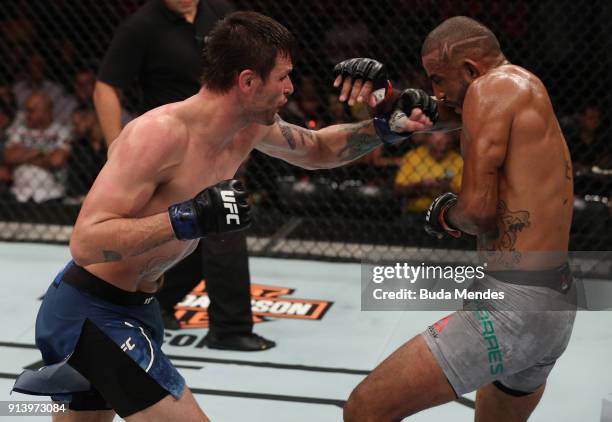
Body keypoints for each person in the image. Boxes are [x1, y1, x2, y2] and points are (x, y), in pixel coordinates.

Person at [13, 12, 434, 420]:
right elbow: (85, 243)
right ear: (247, 81)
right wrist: (186, 218)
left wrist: (383, 128)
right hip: (90, 313)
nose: (291, 87)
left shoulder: (249, 127)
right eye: (282, 76)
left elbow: (318, 150)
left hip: (136, 308)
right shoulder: (157, 135)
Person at [336, 16, 576, 422]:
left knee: (364, 410)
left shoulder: (488, 89)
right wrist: (392, 97)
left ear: (470, 69)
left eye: (439, 78)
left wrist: (446, 215)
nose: (436, 91)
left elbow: (479, 212)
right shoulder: (523, 88)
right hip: (555, 299)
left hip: (513, 307)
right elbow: (450, 117)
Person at [94, 0, 273, 351]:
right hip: (170, 149)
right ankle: (229, 325)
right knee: (188, 229)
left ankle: (219, 322)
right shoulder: (141, 26)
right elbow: (106, 85)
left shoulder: (221, 15)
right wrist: (116, 148)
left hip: (221, 140)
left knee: (219, 225)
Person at [4, 90, 71, 203]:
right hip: (18, 194)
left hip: (51, 194)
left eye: (31, 111)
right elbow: (9, 156)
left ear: (45, 112)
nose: (26, 115)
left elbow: (56, 161)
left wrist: (22, 156)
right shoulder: (18, 130)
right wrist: (41, 152)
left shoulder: (61, 131)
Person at [395, 131, 463, 213]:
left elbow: (463, 196)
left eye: (447, 144)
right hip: (416, 213)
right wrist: (421, 185)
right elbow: (399, 190)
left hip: (446, 213)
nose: (442, 148)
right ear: (428, 141)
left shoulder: (459, 160)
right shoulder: (413, 156)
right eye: (438, 143)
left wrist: (446, 189)